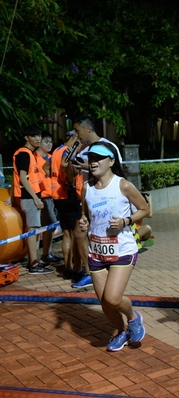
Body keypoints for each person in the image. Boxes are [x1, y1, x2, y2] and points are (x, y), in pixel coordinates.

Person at [76, 142, 149, 352]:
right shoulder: (86, 188)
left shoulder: (123, 185)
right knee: (105, 302)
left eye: (99, 158)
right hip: (97, 251)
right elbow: (85, 215)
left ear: (111, 161)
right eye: (91, 158)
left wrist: (125, 221)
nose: (93, 162)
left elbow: (145, 209)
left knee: (113, 298)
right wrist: (84, 223)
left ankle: (133, 318)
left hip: (122, 249)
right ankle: (122, 332)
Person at [69, 115, 123, 288]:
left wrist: (86, 166)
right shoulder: (82, 149)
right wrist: (72, 161)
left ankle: (106, 270)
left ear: (88, 129)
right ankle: (91, 271)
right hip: (87, 199)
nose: (76, 135)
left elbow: (117, 169)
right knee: (81, 233)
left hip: (108, 199)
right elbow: (73, 175)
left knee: (108, 235)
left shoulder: (108, 146)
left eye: (77, 131)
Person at [7, 126, 54, 274]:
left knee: (34, 229)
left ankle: (34, 262)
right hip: (29, 197)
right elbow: (22, 178)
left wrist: (11, 197)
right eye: (34, 136)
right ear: (26, 138)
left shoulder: (29, 153)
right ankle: (33, 264)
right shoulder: (24, 154)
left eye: (39, 136)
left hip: (31, 196)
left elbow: (16, 177)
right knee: (32, 230)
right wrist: (36, 198)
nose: (38, 139)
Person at [51, 130, 83, 279]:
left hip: (57, 195)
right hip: (68, 194)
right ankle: (75, 268)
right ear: (76, 139)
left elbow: (46, 167)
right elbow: (65, 165)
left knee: (66, 233)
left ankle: (67, 267)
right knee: (75, 233)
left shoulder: (56, 150)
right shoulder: (67, 151)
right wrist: (70, 179)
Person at [35, 131, 63, 266]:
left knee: (50, 227)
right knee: (46, 225)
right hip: (42, 197)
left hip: (53, 196)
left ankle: (47, 253)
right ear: (39, 142)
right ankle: (42, 256)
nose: (49, 144)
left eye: (51, 142)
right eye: (46, 141)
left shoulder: (52, 157)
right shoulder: (34, 158)